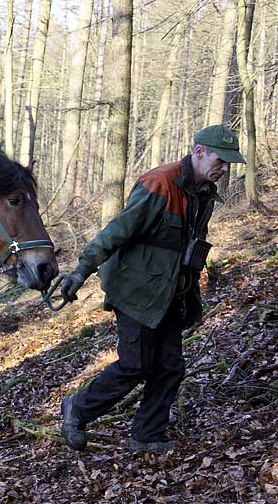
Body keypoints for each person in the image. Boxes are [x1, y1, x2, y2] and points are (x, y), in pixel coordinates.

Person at [58, 125, 246, 453]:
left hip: (172, 294)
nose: (225, 168)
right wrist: (80, 272)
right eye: (221, 159)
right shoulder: (159, 183)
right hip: (136, 292)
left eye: (230, 163)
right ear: (198, 151)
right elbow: (115, 232)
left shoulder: (205, 195)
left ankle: (147, 436)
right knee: (136, 364)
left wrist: (190, 295)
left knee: (170, 367)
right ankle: (77, 408)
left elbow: (187, 247)